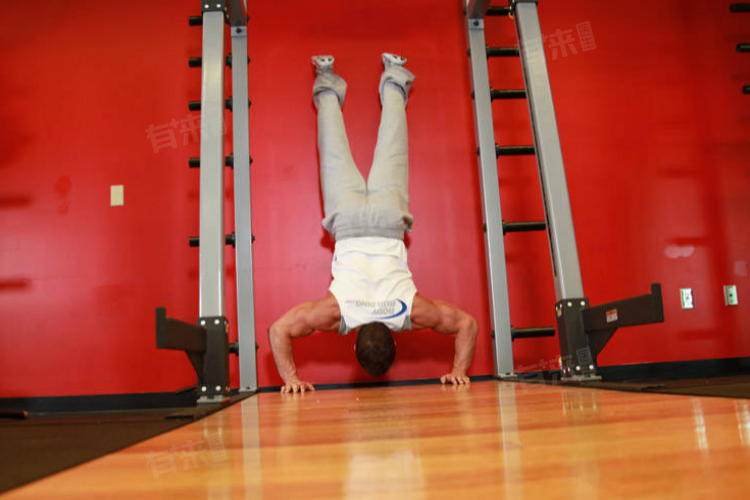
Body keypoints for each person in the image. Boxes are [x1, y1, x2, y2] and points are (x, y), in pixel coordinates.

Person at [268, 54, 479, 393]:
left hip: (388, 219)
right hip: (348, 222)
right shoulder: (336, 314)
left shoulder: (411, 312)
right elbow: (278, 330)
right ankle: (325, 74)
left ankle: (395, 72)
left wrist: (458, 371)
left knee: (394, 147)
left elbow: (466, 324)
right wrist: (291, 380)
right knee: (333, 151)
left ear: (395, 338)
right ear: (353, 345)